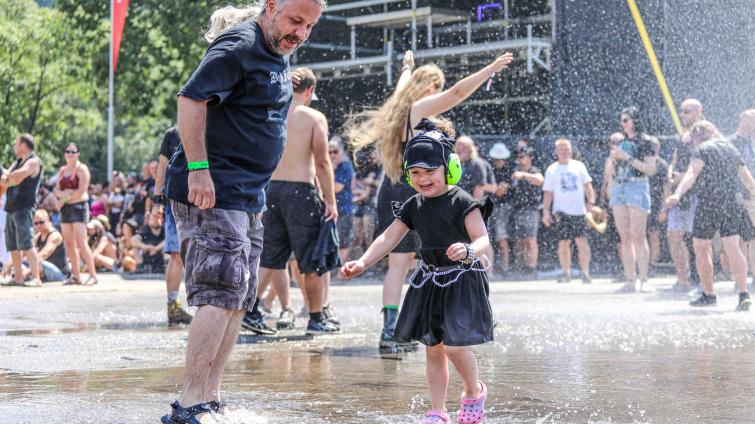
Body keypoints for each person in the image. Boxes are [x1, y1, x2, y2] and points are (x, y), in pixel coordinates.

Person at [161, 1, 324, 421]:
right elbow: (191, 100)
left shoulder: (276, 54)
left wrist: (258, 198)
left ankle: (210, 397)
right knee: (219, 294)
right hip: (214, 192)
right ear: (271, 7)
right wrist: (199, 170)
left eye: (309, 25)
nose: (301, 32)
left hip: (246, 197)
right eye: (294, 20)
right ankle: (190, 401)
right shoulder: (239, 45)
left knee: (237, 298)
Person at [347, 47, 513, 351]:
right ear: (429, 88)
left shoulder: (398, 107)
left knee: (398, 263)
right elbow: (457, 93)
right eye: (435, 88)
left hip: (393, 187)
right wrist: (489, 70)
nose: (437, 98)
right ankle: (463, 316)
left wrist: (406, 66)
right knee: (450, 252)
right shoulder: (419, 107)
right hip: (419, 188)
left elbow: (403, 83)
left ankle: (390, 329)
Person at [341, 119, 494, 423]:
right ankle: (438, 411)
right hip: (429, 280)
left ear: (448, 168)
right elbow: (388, 237)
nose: (423, 179)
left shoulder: (462, 201)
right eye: (415, 173)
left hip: (461, 279)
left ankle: (473, 391)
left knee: (453, 345)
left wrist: (468, 250)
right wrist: (363, 262)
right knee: (433, 347)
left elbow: (483, 239)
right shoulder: (414, 204)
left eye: (430, 171)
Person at [242, 66, 338, 336]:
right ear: (309, 91)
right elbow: (322, 161)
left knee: (270, 257)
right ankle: (316, 317)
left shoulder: (272, 113)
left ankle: (249, 311)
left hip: (271, 191)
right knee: (311, 259)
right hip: (301, 192)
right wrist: (330, 200)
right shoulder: (313, 117)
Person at [667, 130, 754, 311]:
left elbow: (692, 172)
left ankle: (709, 294)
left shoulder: (702, 149)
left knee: (701, 247)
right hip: (731, 201)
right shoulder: (730, 149)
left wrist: (677, 193)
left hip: (709, 203)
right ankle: (743, 293)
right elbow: (746, 177)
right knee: (733, 246)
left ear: (698, 137)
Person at [609, 107, 658, 293]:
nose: (622, 124)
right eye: (621, 120)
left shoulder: (647, 141)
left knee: (638, 235)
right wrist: (613, 161)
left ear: (635, 121)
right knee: (625, 237)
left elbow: (650, 169)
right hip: (619, 185)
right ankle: (630, 279)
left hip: (636, 185)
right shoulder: (621, 141)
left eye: (625, 120)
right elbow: (613, 167)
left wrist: (627, 157)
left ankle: (644, 279)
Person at [152, 126, 192, 326]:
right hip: (174, 201)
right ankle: (173, 305)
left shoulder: (211, 126)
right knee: (176, 254)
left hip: (204, 200)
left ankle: (208, 307)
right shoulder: (173, 134)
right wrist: (157, 202)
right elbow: (162, 168)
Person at [542, 138, 595, 283]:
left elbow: (588, 186)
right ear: (556, 152)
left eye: (567, 149)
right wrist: (546, 211)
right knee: (563, 242)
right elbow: (548, 193)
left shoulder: (579, 166)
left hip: (579, 210)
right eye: (562, 149)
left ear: (571, 151)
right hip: (561, 211)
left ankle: (585, 272)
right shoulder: (552, 170)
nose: (565, 152)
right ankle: (567, 273)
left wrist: (591, 201)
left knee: (582, 241)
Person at [665, 99, 705, 292]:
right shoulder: (681, 136)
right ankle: (683, 279)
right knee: (674, 236)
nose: (682, 115)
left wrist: (687, 176)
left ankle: (702, 281)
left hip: (699, 192)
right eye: (681, 111)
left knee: (698, 239)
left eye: (686, 111)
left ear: (699, 111)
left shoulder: (706, 131)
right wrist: (670, 174)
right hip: (679, 194)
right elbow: (674, 160)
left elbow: (707, 163)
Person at [0, 134, 43, 287]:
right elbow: (7, 179)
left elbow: (17, 177)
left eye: (16, 144)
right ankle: (18, 278)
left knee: (27, 244)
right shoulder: (18, 161)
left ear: (24, 145)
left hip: (24, 208)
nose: (14, 146)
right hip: (11, 207)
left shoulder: (33, 162)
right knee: (12, 245)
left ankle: (36, 278)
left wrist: (8, 177)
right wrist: (7, 177)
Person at [54, 142, 98, 286]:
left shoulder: (82, 169)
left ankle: (92, 275)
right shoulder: (62, 170)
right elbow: (56, 190)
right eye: (68, 151)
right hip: (66, 209)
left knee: (81, 242)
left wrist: (65, 197)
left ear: (78, 154)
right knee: (69, 243)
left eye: (73, 152)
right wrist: (66, 195)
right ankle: (76, 276)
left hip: (79, 207)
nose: (70, 154)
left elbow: (81, 191)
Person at [729, 109, 755, 288]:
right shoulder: (731, 143)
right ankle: (741, 278)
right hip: (738, 195)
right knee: (737, 239)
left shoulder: (752, 142)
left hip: (752, 195)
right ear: (744, 122)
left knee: (753, 238)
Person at [508, 146, 543, 275]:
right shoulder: (515, 170)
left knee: (531, 239)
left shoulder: (534, 170)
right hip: (517, 209)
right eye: (519, 157)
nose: (520, 159)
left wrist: (524, 175)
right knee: (520, 239)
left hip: (531, 209)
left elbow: (540, 180)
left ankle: (531, 267)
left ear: (530, 158)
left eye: (523, 156)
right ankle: (520, 264)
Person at [488, 142, 513, 274]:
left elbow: (499, 191)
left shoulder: (507, 170)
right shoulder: (489, 168)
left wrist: (491, 188)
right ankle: (491, 267)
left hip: (503, 207)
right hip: (491, 206)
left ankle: (505, 267)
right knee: (488, 237)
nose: (498, 161)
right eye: (496, 159)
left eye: (500, 158)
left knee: (502, 237)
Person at [351, 149, 379, 259]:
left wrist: (353, 199)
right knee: (356, 234)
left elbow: (365, 194)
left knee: (368, 234)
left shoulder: (373, 171)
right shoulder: (357, 173)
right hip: (359, 203)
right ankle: (358, 259)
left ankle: (370, 260)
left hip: (369, 203)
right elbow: (353, 189)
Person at [330, 137, 354, 263]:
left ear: (342, 152)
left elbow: (336, 188)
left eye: (335, 152)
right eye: (329, 152)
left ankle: (341, 272)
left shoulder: (345, 166)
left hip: (344, 209)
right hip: (330, 210)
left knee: (343, 241)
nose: (332, 155)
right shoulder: (326, 166)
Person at [33, 209, 67, 282]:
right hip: (47, 269)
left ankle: (34, 277)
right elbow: (25, 253)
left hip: (60, 274)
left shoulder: (54, 235)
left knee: (38, 262)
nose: (38, 225)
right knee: (22, 263)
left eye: (41, 222)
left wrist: (30, 267)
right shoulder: (38, 236)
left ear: (48, 221)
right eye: (36, 223)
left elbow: (44, 254)